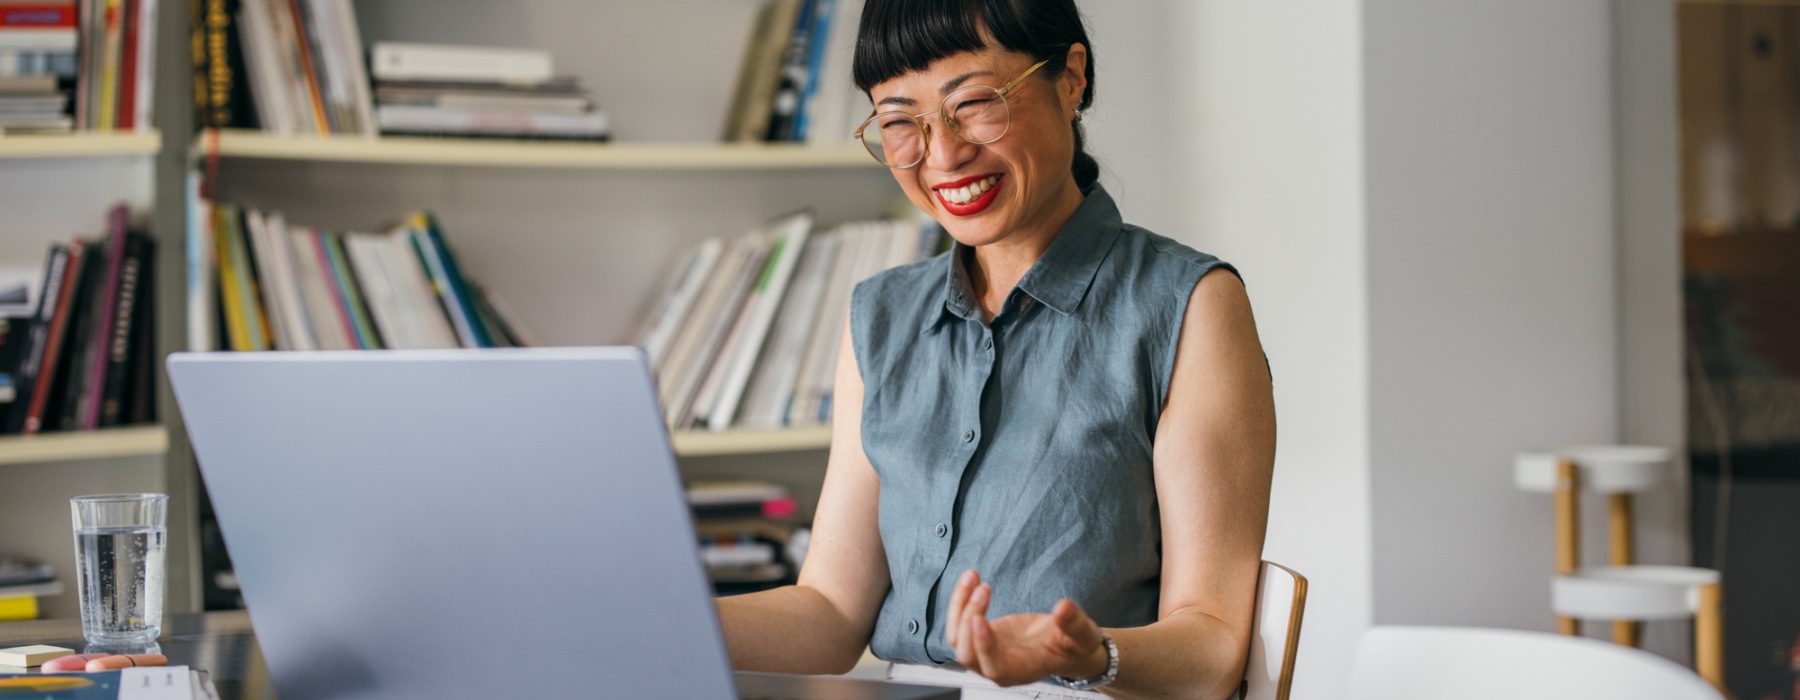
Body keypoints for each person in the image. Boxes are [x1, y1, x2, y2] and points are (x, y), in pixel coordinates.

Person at [717, 1, 1276, 697]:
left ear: (1071, 78)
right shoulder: (880, 316)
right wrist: (658, 617)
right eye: (899, 123)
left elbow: (1215, 643)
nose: (943, 154)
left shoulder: (1188, 304)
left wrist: (1084, 653)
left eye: (976, 104)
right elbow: (831, 613)